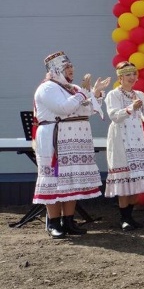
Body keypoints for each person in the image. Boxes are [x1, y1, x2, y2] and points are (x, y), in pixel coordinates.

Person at [33, 52, 109, 238]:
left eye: (71, 66)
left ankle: (68, 221)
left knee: (71, 179)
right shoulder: (47, 88)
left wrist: (96, 94)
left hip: (74, 139)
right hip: (55, 139)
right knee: (55, 180)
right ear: (55, 70)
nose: (71, 69)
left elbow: (87, 109)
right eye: (67, 67)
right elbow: (64, 108)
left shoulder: (72, 88)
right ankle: (53, 223)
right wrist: (84, 93)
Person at [104, 61, 144, 231]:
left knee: (135, 180)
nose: (132, 77)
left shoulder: (140, 94)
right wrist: (130, 108)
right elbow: (114, 116)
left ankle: (130, 216)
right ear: (120, 78)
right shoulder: (113, 95)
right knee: (124, 179)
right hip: (120, 139)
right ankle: (124, 218)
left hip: (137, 139)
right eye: (128, 75)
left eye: (134, 74)